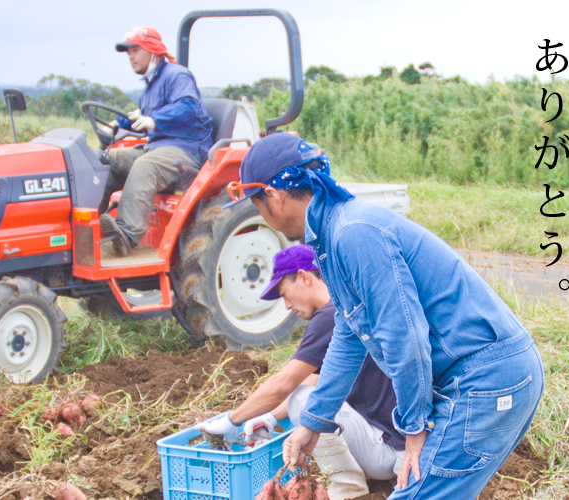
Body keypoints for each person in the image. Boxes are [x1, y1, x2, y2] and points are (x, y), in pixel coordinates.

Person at [224, 133, 544, 499]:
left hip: (484, 379)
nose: (264, 219)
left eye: (258, 207)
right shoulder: (333, 238)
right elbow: (348, 338)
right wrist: (313, 423)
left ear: (275, 197)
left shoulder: (354, 234)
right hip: (480, 376)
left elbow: (403, 339)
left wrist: (414, 429)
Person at [194, 244, 404, 500]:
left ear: (304, 277)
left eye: (284, 294)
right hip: (396, 443)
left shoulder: (329, 317)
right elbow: (317, 381)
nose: (286, 306)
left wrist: (231, 420)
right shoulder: (347, 308)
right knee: (306, 398)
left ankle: (348, 491)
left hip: (388, 448)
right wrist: (270, 417)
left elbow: (285, 384)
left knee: (301, 402)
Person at [98, 26, 213, 256]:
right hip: (158, 147)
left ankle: (125, 235)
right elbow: (141, 114)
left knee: (145, 165)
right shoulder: (151, 83)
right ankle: (88, 225)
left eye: (135, 50)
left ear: (153, 50)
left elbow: (188, 106)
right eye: (128, 51)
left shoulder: (176, 75)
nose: (130, 56)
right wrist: (118, 123)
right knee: (106, 160)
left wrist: (154, 120)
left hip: (186, 149)